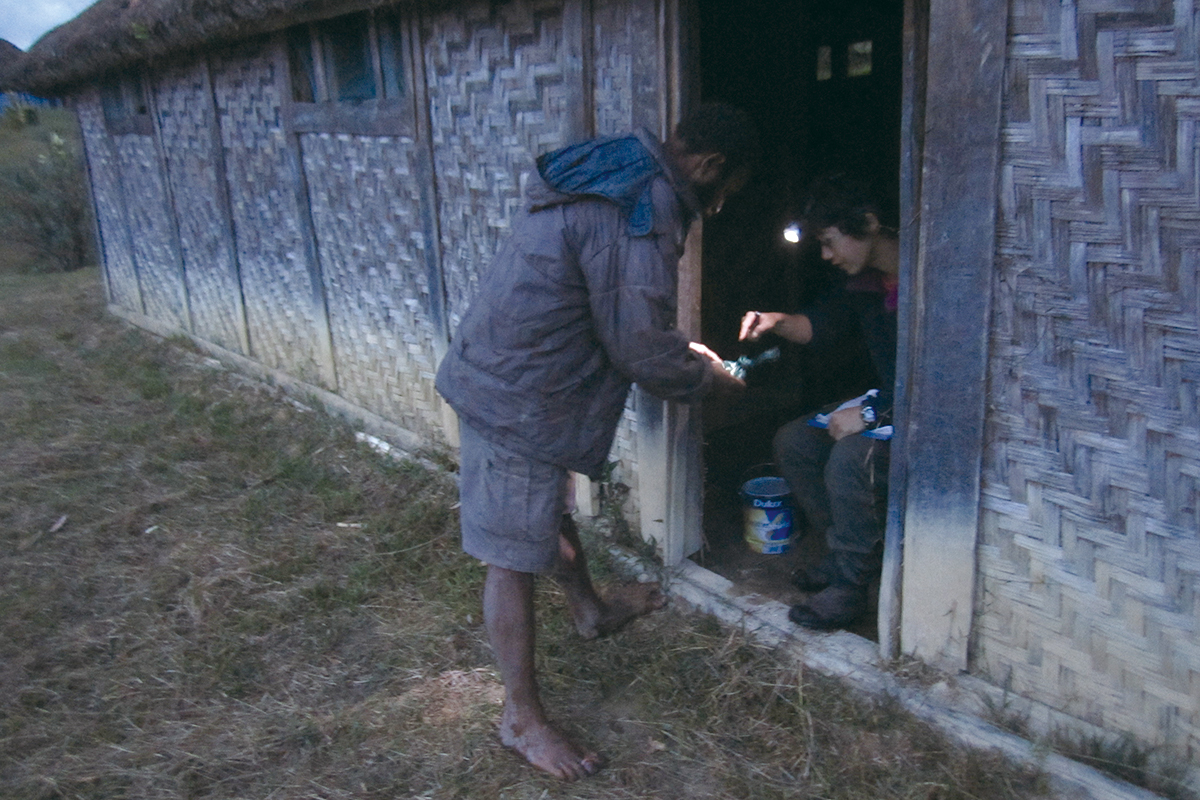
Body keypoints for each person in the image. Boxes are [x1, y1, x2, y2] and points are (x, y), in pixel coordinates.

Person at [435, 104, 759, 780]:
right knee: (512, 554)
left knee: (539, 516)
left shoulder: (618, 171)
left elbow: (616, 307)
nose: (723, 207)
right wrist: (709, 381)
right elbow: (638, 346)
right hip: (520, 395)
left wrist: (681, 349)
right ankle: (520, 718)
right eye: (729, 193)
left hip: (517, 374)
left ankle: (591, 610)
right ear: (710, 167)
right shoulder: (642, 209)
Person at [739, 175, 898, 631]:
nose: (826, 256)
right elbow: (821, 325)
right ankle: (845, 551)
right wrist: (775, 322)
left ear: (868, 224)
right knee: (795, 441)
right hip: (890, 401)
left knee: (851, 458)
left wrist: (870, 414)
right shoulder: (868, 284)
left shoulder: (930, 279)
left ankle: (851, 587)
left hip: (931, 412)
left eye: (830, 242)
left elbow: (943, 379)